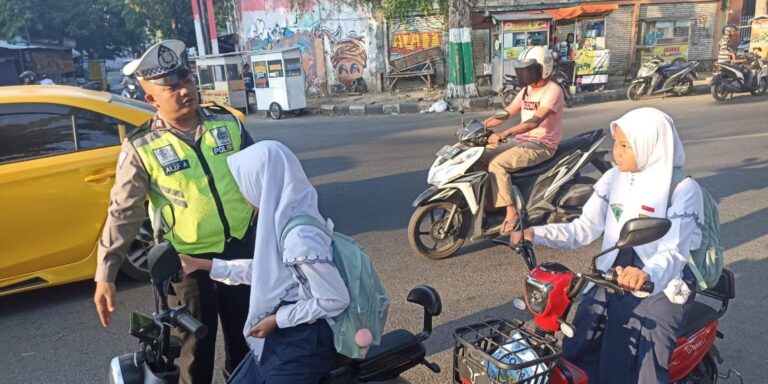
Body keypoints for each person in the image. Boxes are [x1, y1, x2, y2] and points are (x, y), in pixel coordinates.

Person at [92, 39, 256, 384]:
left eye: (187, 81)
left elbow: (264, 175)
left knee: (250, 338)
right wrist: (105, 275)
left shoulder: (225, 123)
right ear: (151, 98)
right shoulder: (142, 146)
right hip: (188, 264)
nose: (185, 90)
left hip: (242, 249)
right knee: (195, 352)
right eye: (172, 87)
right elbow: (123, 212)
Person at [514, 107, 703, 383]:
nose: (617, 152)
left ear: (650, 145)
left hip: (661, 281)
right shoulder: (613, 177)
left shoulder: (683, 189)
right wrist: (535, 233)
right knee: (582, 334)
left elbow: (674, 250)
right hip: (611, 273)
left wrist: (646, 274)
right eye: (616, 143)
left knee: (644, 350)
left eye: (626, 145)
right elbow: (583, 228)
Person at [179, 140, 350, 384]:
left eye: (243, 184)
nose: (240, 193)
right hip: (285, 336)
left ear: (263, 182)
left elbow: (334, 299)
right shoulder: (283, 220)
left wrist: (276, 320)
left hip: (301, 343)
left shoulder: (299, 237)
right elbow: (270, 273)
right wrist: (203, 265)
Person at [482, 45, 564, 234]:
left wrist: (505, 133)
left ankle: (511, 212)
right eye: (523, 70)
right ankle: (491, 203)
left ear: (544, 69)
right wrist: (482, 125)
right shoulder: (527, 90)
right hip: (521, 140)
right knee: (481, 155)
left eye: (529, 70)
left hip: (541, 144)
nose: (525, 75)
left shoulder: (553, 91)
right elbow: (508, 112)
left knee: (497, 164)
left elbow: (534, 121)